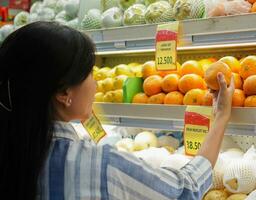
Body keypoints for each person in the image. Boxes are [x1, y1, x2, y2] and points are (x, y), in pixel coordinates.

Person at [0, 22, 235, 200]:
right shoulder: (101, 165)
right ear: (64, 94)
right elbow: (185, 189)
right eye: (90, 73)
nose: (96, 84)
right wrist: (221, 117)